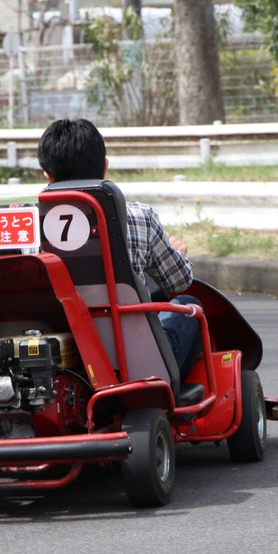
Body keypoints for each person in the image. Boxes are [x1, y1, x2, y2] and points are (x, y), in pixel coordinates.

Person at [37, 117, 202, 377]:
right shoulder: (139, 217)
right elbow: (179, 282)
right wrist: (177, 253)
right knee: (190, 306)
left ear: (47, 176)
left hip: (57, 358)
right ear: (104, 168)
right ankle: (176, 397)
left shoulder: (25, 228)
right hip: (132, 361)